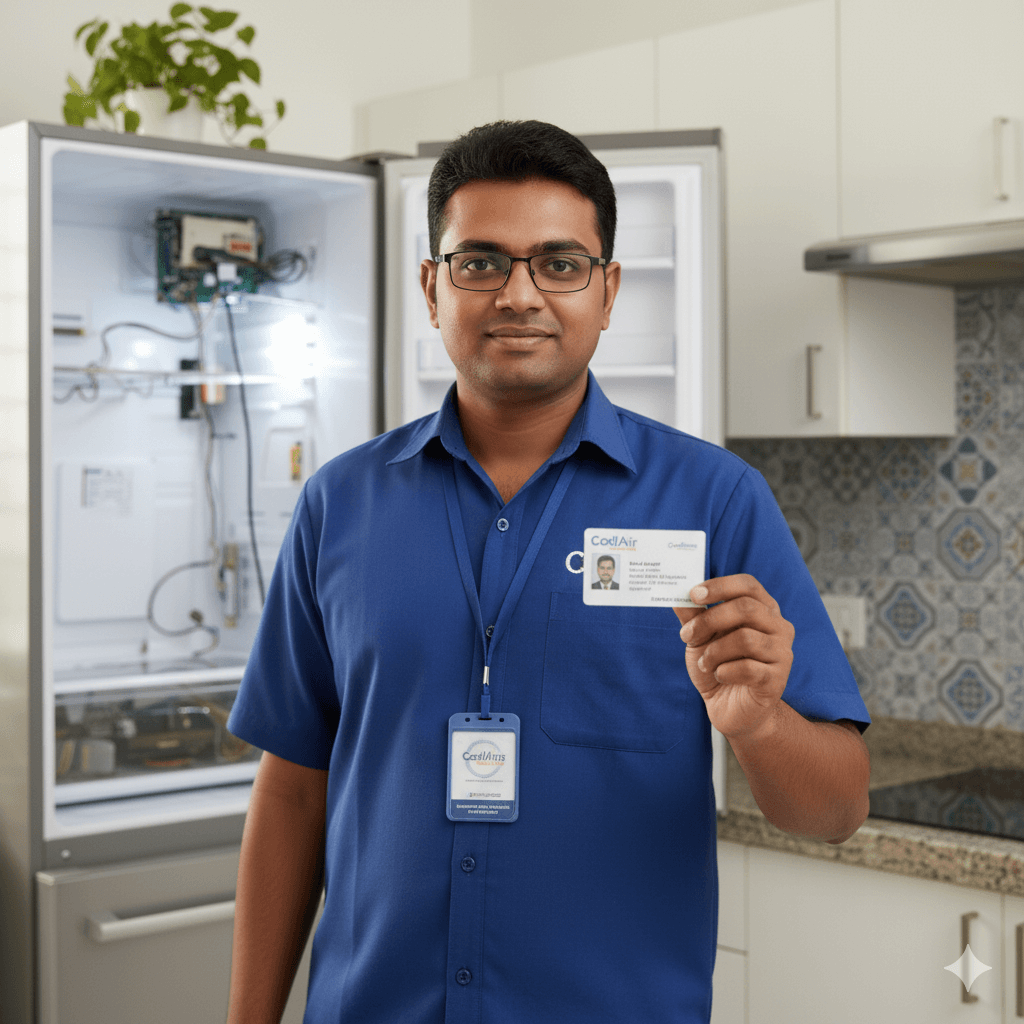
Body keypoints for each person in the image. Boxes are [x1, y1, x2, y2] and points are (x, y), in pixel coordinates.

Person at [225, 119, 871, 1024]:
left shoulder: (717, 500)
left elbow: (835, 808)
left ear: (607, 293)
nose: (518, 294)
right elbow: (293, 787)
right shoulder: (340, 503)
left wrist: (759, 724)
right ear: (431, 286)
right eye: (480, 262)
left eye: (559, 264)